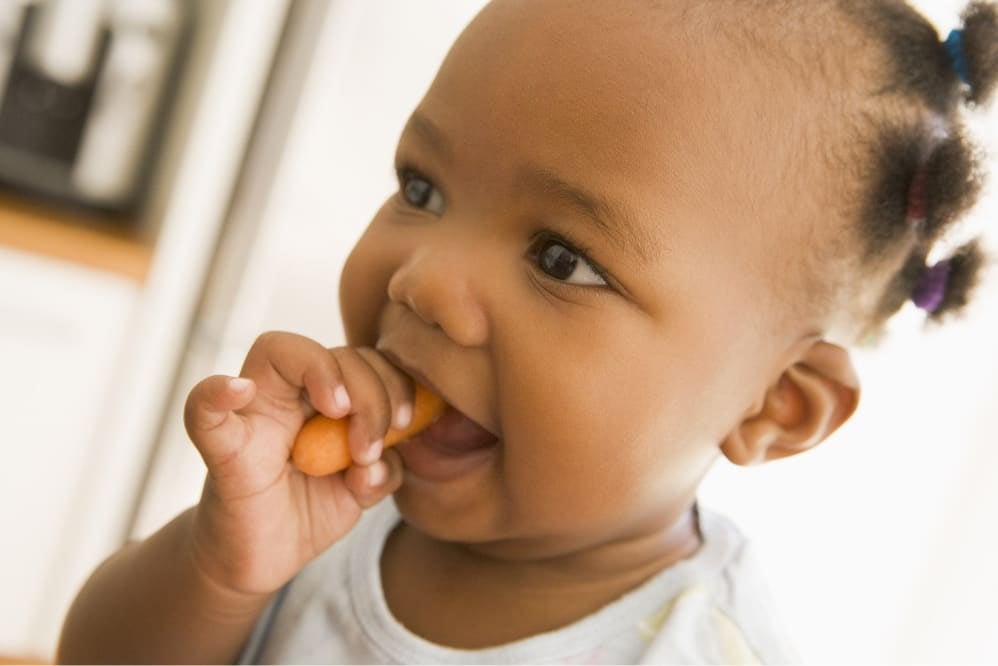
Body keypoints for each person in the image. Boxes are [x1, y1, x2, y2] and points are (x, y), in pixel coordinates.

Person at [57, 0, 998, 663]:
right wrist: (221, 572)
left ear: (775, 407)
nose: (423, 280)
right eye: (422, 188)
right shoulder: (336, 504)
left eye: (561, 258)